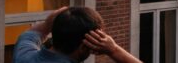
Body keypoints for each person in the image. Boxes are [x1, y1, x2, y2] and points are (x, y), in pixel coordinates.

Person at [12, 6, 140, 63]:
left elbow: (31, 34)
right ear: (83, 47)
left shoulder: (23, 56)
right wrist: (113, 50)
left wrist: (47, 24)